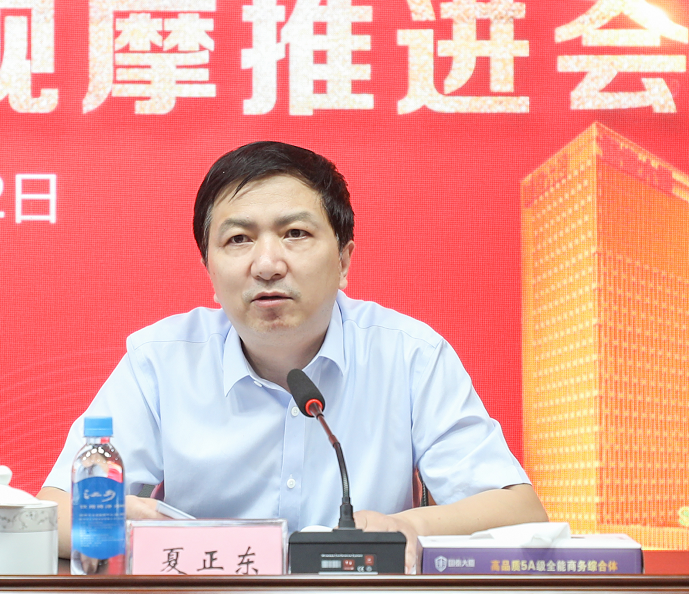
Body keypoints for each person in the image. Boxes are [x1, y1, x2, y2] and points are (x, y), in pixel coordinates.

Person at [37, 141, 548, 572]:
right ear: (209, 270)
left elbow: (519, 511)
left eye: (295, 234)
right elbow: (51, 512)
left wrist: (407, 527)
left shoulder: (409, 355)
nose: (266, 264)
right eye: (238, 239)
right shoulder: (160, 361)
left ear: (344, 259)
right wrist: (118, 525)